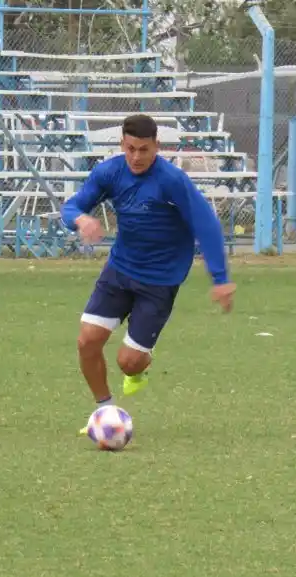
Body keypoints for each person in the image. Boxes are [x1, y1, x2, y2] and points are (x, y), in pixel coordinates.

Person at [59, 114, 236, 434]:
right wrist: (81, 220)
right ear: (121, 145)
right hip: (120, 270)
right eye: (130, 149)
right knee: (87, 341)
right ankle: (105, 411)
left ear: (157, 146)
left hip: (160, 279)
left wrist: (221, 278)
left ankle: (139, 367)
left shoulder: (172, 181)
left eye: (144, 149)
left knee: (129, 363)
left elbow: (206, 225)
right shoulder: (109, 172)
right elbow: (71, 207)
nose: (136, 157)